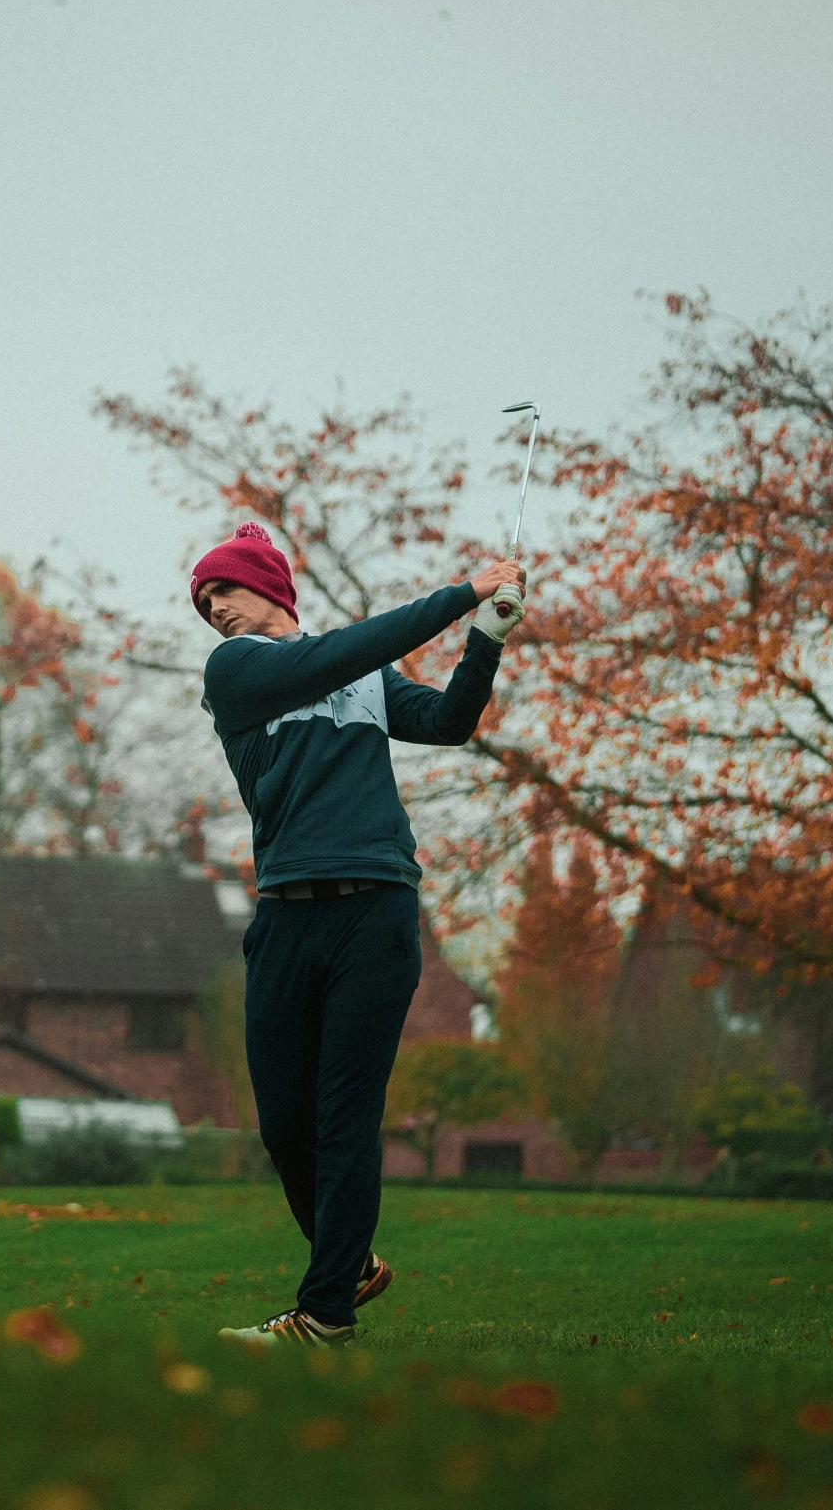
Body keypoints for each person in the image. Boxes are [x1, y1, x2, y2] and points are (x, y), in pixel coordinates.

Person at [193, 522, 526, 1346]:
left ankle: (325, 1312)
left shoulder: (364, 678)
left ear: (267, 585)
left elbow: (450, 721)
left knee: (345, 1115)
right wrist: (461, 594)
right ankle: (349, 1260)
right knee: (283, 1123)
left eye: (222, 591)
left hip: (374, 912)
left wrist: (484, 638)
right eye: (203, 604)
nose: (213, 611)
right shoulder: (235, 672)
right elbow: (335, 655)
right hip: (284, 914)